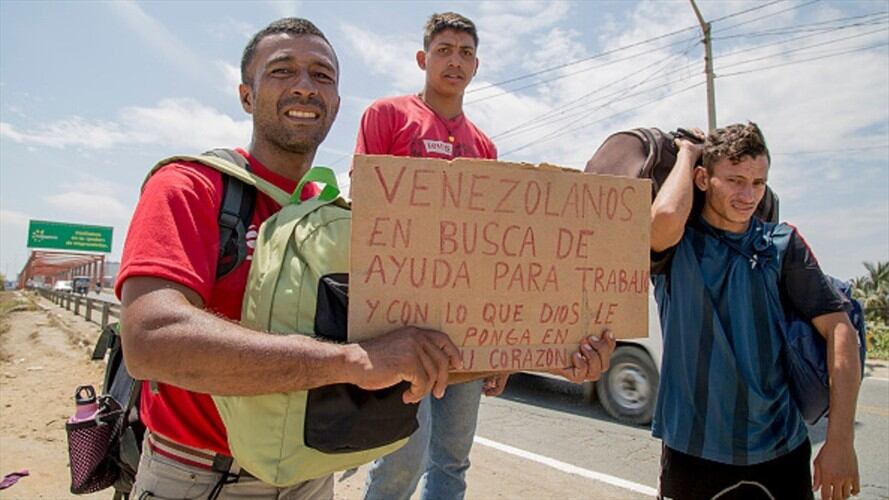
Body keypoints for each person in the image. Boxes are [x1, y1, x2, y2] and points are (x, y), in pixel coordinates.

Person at [117, 17, 610, 500]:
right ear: (247, 95)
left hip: (310, 478)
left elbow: (404, 353)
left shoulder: (339, 218)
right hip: (198, 476)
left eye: (323, 76)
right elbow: (149, 341)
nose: (306, 86)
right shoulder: (191, 186)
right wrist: (350, 360)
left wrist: (545, 353)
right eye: (283, 70)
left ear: (335, 106)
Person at [353, 12, 615, 500]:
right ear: (422, 58)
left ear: (476, 66)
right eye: (444, 50)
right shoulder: (387, 117)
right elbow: (365, 213)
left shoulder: (484, 146)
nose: (455, 61)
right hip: (400, 323)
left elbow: (493, 254)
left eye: (466, 53)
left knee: (452, 460)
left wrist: (501, 348)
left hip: (466, 332)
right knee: (402, 457)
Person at [650, 122, 861, 500]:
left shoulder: (781, 244)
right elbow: (662, 221)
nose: (748, 195)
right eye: (734, 180)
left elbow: (840, 329)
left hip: (781, 447)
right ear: (702, 179)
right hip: (692, 450)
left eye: (758, 182)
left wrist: (841, 441)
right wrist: (687, 152)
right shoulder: (678, 247)